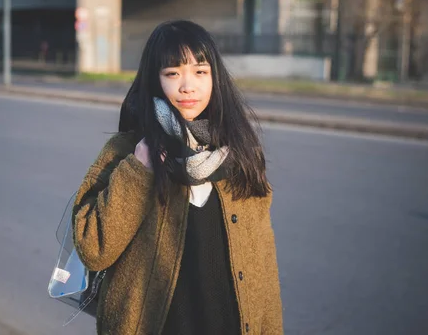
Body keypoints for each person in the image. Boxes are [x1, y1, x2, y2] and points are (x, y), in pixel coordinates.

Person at [72, 20, 283, 335]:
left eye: (200, 72)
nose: (188, 86)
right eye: (172, 73)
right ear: (155, 81)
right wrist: (138, 168)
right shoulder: (125, 151)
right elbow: (93, 248)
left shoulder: (241, 154)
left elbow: (263, 270)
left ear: (215, 79)